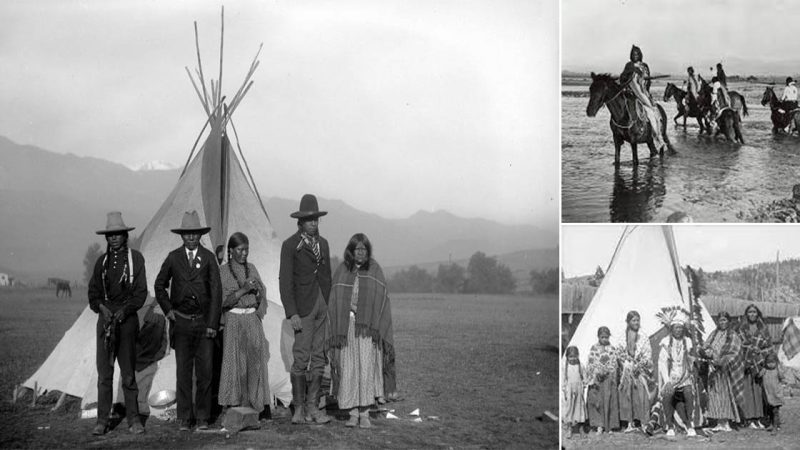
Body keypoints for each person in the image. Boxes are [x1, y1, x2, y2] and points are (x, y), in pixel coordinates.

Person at [154, 210, 222, 431]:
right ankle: (184, 417)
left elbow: (216, 292)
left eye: (195, 234)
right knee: (183, 371)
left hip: (204, 323)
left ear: (200, 235)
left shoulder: (209, 258)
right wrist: (168, 310)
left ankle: (203, 416)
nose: (191, 237)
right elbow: (159, 285)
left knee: (205, 371)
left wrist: (212, 324)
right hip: (181, 322)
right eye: (187, 234)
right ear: (181, 236)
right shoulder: (174, 258)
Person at [88, 212, 147, 436]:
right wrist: (102, 308)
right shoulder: (101, 262)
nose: (113, 238)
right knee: (104, 374)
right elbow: (93, 294)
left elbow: (141, 292)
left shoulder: (136, 259)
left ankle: (134, 419)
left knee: (129, 374)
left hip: (127, 321)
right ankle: (102, 420)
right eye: (110, 235)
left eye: (118, 234)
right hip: (105, 322)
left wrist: (125, 311)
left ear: (125, 236)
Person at [327, 233, 394, 428]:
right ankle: (352, 413)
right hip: (347, 326)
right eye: (357, 249)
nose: (361, 253)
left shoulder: (375, 269)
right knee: (349, 368)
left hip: (367, 329)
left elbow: (382, 298)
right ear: (351, 250)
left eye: (364, 249)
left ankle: (365, 413)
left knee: (366, 367)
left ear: (368, 251)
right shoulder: (342, 270)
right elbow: (335, 298)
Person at [279, 194, 332, 425]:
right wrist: (292, 313)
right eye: (309, 220)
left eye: (316, 219)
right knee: (301, 357)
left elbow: (327, 275)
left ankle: (313, 407)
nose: (313, 223)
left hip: (322, 304)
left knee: (320, 356)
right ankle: (299, 408)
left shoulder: (324, 244)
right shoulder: (290, 245)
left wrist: (328, 303)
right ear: (300, 222)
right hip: (303, 307)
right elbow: (285, 281)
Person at [218, 232, 271, 415]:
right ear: (231, 251)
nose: (244, 253)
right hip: (234, 321)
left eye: (246, 249)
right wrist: (244, 289)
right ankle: (234, 404)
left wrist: (257, 293)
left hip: (252, 319)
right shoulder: (223, 272)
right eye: (240, 249)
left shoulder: (252, 268)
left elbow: (262, 293)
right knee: (234, 362)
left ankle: (255, 403)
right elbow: (223, 301)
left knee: (254, 361)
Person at [699, 311, 742, 432]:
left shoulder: (732, 335)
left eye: (724, 320)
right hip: (713, 369)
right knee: (715, 394)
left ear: (728, 321)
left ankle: (726, 422)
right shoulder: (714, 334)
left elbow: (735, 351)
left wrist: (723, 361)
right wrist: (705, 353)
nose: (722, 322)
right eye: (720, 320)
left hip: (725, 370)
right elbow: (705, 346)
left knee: (725, 395)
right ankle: (718, 422)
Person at [657, 313, 697, 437]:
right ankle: (669, 425)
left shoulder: (688, 341)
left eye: (680, 327)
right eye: (676, 327)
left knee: (689, 393)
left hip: (684, 376)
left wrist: (692, 359)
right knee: (668, 394)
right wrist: (667, 381)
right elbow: (662, 363)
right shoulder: (666, 341)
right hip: (671, 376)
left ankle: (689, 423)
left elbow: (690, 360)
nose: (678, 330)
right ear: (671, 329)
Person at [619, 44, 665, 151]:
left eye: (637, 54)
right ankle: (619, 135)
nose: (635, 56)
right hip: (630, 93)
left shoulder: (644, 66)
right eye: (633, 54)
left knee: (652, 112)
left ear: (640, 55)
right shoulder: (629, 65)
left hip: (642, 93)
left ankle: (658, 136)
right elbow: (623, 78)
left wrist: (644, 88)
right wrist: (631, 71)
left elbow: (647, 82)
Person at [616, 311, 652, 433]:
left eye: (638, 320)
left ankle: (643, 422)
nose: (636, 323)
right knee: (627, 395)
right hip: (626, 369)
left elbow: (648, 355)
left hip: (639, 371)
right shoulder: (622, 336)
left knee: (641, 396)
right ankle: (629, 423)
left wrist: (639, 365)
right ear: (628, 322)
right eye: (633, 320)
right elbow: (619, 353)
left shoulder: (643, 336)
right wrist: (626, 363)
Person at [737, 304, 771, 429]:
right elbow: (737, 347)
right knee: (747, 392)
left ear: (758, 314)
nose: (752, 314)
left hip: (759, 364)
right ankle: (749, 419)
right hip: (745, 364)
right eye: (750, 312)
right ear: (746, 314)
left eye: (754, 312)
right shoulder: (741, 329)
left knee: (757, 391)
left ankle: (758, 419)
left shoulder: (763, 329)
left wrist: (764, 365)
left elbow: (769, 347)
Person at [586, 326, 619, 434]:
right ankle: (599, 425)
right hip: (597, 379)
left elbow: (614, 363)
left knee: (609, 401)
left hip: (608, 378)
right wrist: (597, 372)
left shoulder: (612, 348)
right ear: (598, 337)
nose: (604, 339)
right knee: (597, 402)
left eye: (606, 337)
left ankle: (609, 425)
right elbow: (591, 362)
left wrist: (607, 371)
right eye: (602, 337)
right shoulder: (594, 348)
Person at [562, 346, 587, 439]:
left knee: (579, 408)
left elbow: (584, 376)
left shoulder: (580, 365)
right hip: (569, 390)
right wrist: (565, 390)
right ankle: (569, 428)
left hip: (579, 389)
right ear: (567, 357)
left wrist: (583, 386)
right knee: (570, 409)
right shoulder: (564, 367)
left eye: (575, 356)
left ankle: (581, 428)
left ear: (578, 356)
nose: (573, 359)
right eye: (570, 357)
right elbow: (564, 380)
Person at [761, 352, 784, 431]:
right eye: (768, 362)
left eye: (772, 362)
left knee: (775, 411)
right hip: (768, 395)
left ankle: (775, 426)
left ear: (776, 362)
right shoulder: (765, 370)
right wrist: (762, 369)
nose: (770, 364)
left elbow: (782, 377)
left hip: (776, 394)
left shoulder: (777, 370)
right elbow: (759, 375)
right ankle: (774, 424)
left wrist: (779, 368)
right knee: (769, 411)